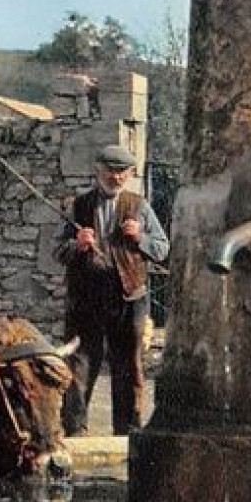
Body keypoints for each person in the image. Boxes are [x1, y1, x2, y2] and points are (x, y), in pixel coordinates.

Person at [54, 143, 170, 436]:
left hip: (128, 299)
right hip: (85, 300)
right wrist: (76, 245)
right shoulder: (79, 207)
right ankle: (74, 429)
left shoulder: (139, 206)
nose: (115, 177)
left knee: (128, 366)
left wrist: (140, 238)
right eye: (109, 170)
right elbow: (57, 251)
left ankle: (128, 431)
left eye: (121, 172)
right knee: (79, 366)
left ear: (131, 174)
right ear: (97, 170)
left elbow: (162, 248)